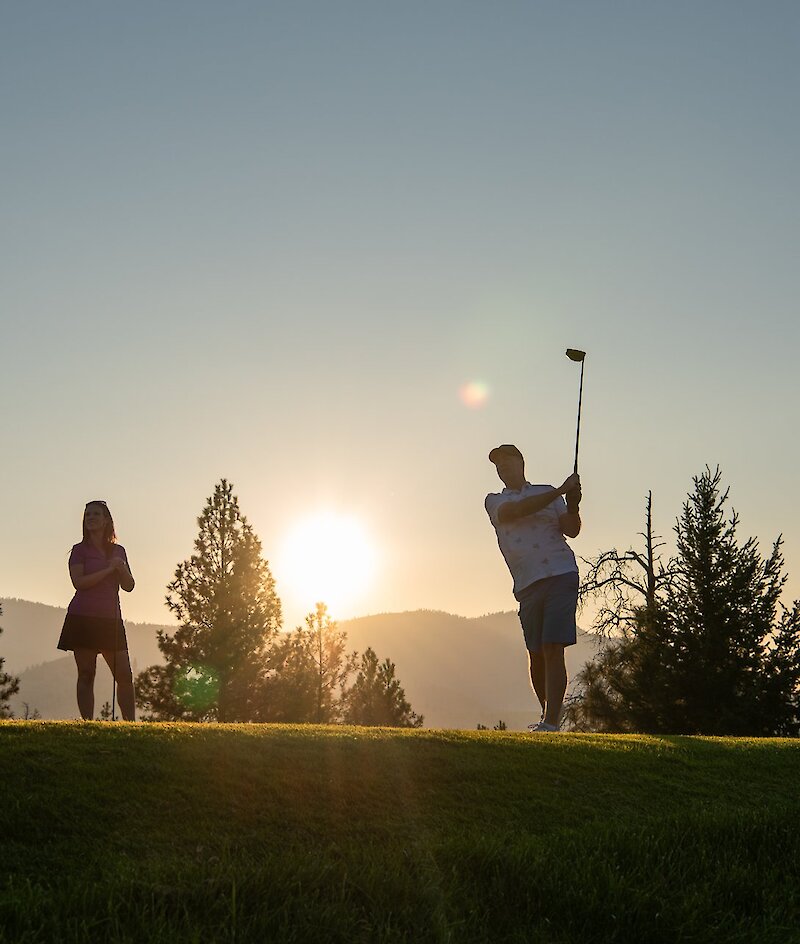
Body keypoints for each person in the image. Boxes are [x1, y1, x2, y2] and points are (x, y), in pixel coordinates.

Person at [485, 445, 581, 732]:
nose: (503, 470)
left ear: (521, 463)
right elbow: (516, 511)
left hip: (561, 573)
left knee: (553, 647)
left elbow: (571, 529)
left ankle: (551, 722)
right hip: (526, 583)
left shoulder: (548, 492)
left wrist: (573, 503)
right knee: (537, 653)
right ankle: (547, 717)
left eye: (507, 463)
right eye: (498, 467)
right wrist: (561, 491)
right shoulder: (494, 501)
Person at [57, 500, 136, 721]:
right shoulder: (79, 550)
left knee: (124, 675)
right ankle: (88, 724)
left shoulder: (119, 551)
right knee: (86, 673)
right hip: (82, 617)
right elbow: (79, 583)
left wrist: (120, 569)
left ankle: (132, 724)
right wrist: (107, 569)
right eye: (87, 514)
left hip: (110, 620)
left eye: (96, 514)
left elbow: (129, 586)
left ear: (106, 520)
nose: (90, 518)